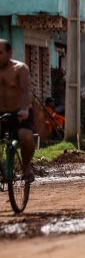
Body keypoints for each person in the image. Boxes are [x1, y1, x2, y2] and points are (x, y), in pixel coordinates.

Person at [0, 40, 34, 182]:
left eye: (0, 53)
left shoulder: (20, 68)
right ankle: (3, 169)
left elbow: (27, 91)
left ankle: (26, 167)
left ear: (9, 53)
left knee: (25, 136)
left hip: (19, 113)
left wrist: (25, 109)